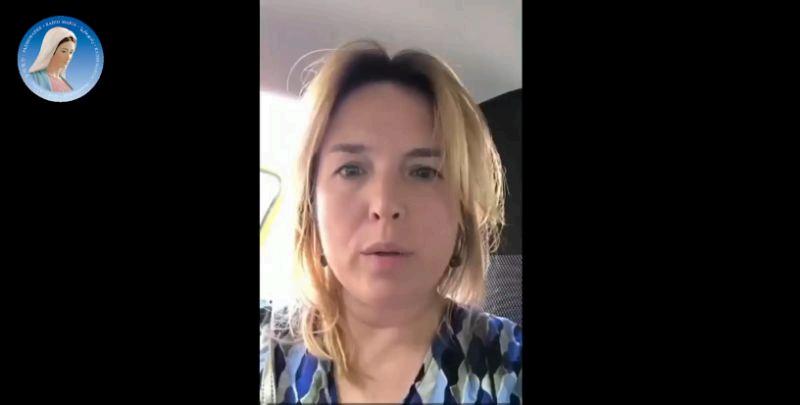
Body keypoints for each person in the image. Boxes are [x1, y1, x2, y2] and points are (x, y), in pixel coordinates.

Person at [260, 39, 521, 404]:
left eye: (423, 172)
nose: (384, 205)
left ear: (462, 209)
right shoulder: (268, 353)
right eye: (351, 169)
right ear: (311, 203)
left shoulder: (508, 367)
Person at [28, 27, 76, 92]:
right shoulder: (33, 79)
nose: (68, 57)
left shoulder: (66, 84)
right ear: (51, 51)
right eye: (64, 51)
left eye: (71, 52)